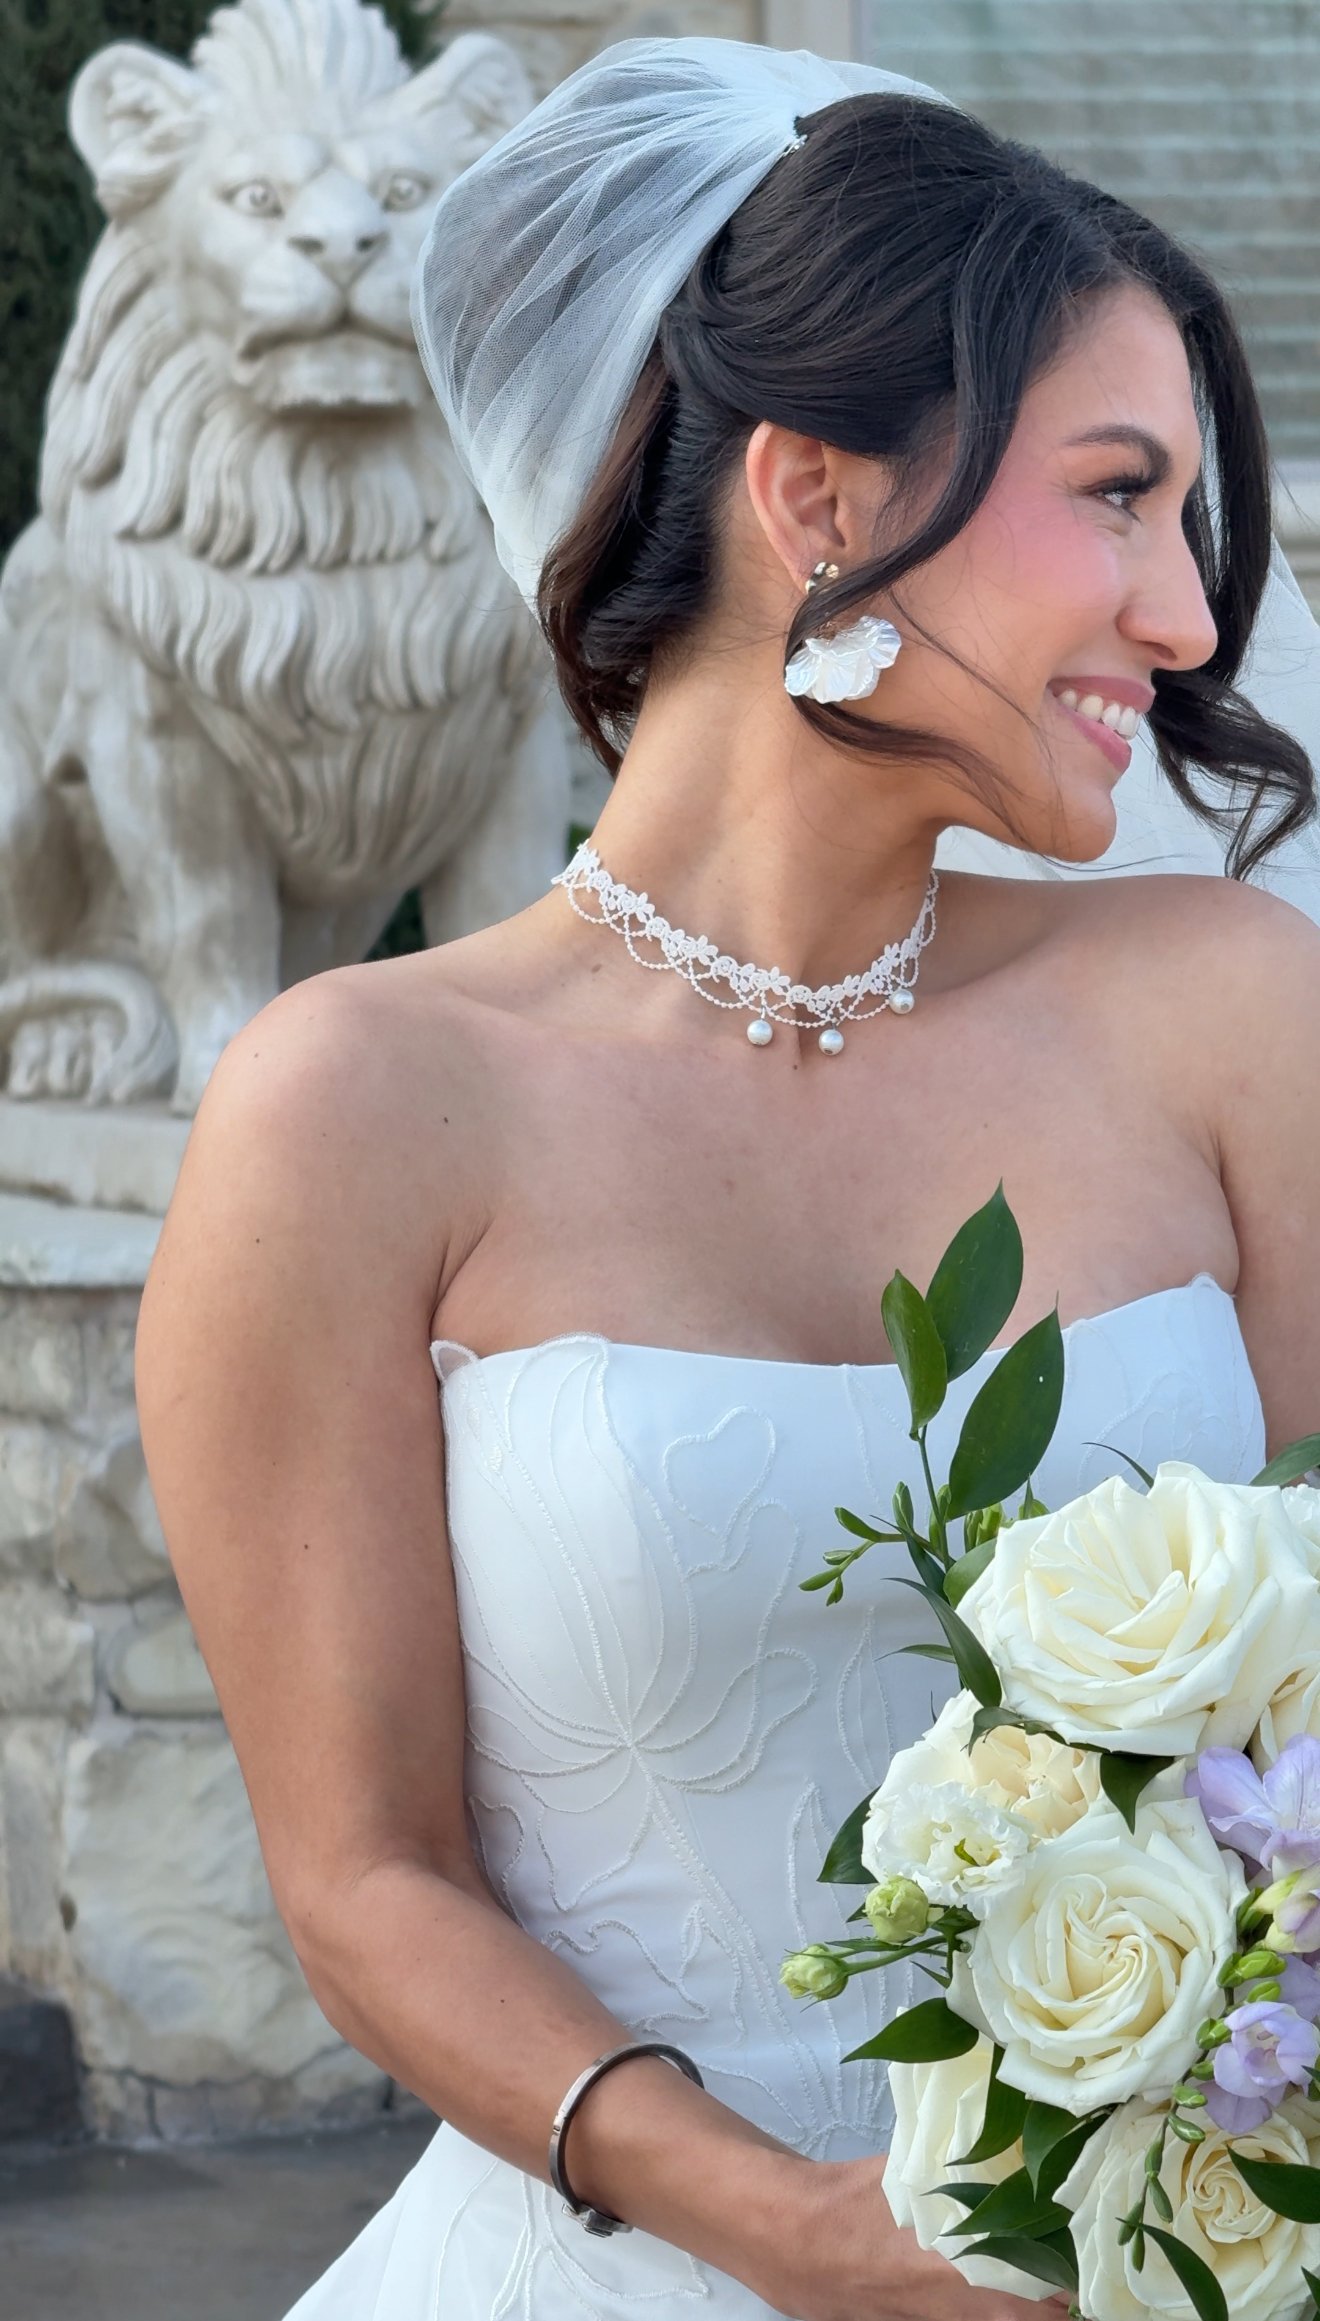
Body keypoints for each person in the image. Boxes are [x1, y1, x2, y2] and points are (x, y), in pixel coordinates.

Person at [134, 35, 1320, 2321]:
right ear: (820, 499)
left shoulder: (1233, 1016)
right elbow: (367, 1880)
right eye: (1117, 496)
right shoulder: (357, 1108)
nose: (1188, 622)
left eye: (1191, 523)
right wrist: (798, 2239)